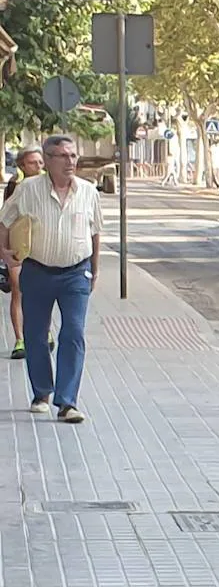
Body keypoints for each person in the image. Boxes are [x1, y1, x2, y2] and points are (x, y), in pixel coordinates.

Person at [0, 135, 103, 423]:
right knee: (35, 334)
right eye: (63, 156)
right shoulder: (28, 190)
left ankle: (67, 402)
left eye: (73, 155)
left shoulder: (88, 191)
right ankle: (41, 391)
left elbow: (95, 231)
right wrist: (6, 255)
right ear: (47, 161)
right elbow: (5, 221)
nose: (70, 161)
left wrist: (95, 269)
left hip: (75, 273)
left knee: (73, 333)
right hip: (37, 270)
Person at [3, 147, 50, 360]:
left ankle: (43, 331)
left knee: (42, 293)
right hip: (19, 247)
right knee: (18, 291)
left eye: (41, 162)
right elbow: (4, 219)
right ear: (22, 165)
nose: (38, 167)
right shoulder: (15, 186)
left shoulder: (49, 185)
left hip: (41, 247)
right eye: (33, 163)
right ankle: (20, 339)